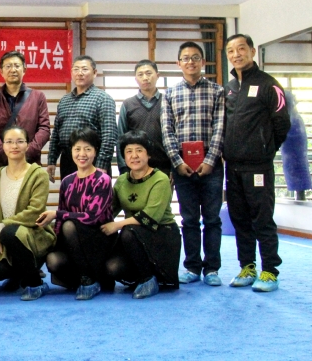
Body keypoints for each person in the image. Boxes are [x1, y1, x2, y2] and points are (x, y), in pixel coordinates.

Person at [223, 34, 290, 292]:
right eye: (231, 51)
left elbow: (282, 123)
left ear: (252, 51)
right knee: (240, 219)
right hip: (233, 167)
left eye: (241, 48)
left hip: (258, 166)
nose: (236, 54)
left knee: (262, 219)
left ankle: (270, 270)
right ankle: (247, 267)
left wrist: (265, 150)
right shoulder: (229, 88)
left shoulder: (269, 85)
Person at [162, 42, 225, 286]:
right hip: (182, 164)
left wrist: (210, 160)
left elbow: (220, 127)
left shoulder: (217, 91)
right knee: (188, 219)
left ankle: (212, 269)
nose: (191, 62)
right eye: (186, 58)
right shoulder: (170, 93)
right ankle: (191, 267)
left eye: (195, 57)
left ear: (203, 62)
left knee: (212, 219)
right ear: (178, 63)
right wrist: (177, 162)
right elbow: (167, 130)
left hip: (211, 164)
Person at [102, 131, 180, 299]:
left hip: (161, 234)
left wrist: (117, 225)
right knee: (112, 267)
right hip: (133, 238)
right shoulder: (122, 180)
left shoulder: (160, 179)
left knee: (127, 231)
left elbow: (150, 217)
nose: (134, 156)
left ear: (148, 154)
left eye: (139, 150)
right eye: (129, 151)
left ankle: (148, 279)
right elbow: (109, 211)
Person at [41, 127, 114, 300]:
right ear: (71, 151)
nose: (82, 154)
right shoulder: (67, 181)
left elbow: (91, 217)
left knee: (68, 225)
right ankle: (84, 275)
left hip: (98, 239)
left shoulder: (102, 180)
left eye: (88, 149)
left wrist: (56, 214)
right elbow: (60, 220)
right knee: (53, 260)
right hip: (73, 241)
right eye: (77, 149)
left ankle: (89, 280)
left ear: (95, 151)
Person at [0, 126, 54, 301]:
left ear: (28, 145)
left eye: (19, 141)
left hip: (32, 233)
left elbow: (35, 212)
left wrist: (0, 228)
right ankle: (19, 275)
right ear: (3, 146)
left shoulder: (38, 174)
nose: (14, 146)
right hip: (5, 236)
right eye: (9, 142)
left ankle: (35, 283)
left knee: (9, 232)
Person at [47, 56, 117, 181]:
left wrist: (101, 165)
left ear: (95, 73)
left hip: (93, 160)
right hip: (68, 160)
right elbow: (56, 134)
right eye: (76, 69)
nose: (80, 73)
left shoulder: (103, 99)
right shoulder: (64, 100)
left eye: (84, 69)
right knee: (69, 193)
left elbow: (109, 136)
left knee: (94, 194)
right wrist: (51, 160)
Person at [0, 51, 50, 175]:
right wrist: (5, 153)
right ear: (1, 71)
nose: (13, 70)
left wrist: (25, 153)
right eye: (8, 66)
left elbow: (44, 129)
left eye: (17, 66)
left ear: (24, 70)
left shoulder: (38, 97)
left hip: (29, 164)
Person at [117, 60, 170, 174]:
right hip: (135, 166)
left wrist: (174, 168)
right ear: (136, 79)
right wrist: (123, 168)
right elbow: (121, 137)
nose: (145, 78)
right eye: (140, 75)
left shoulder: (167, 102)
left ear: (157, 75)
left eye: (148, 73)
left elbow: (174, 135)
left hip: (164, 165)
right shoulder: (128, 104)